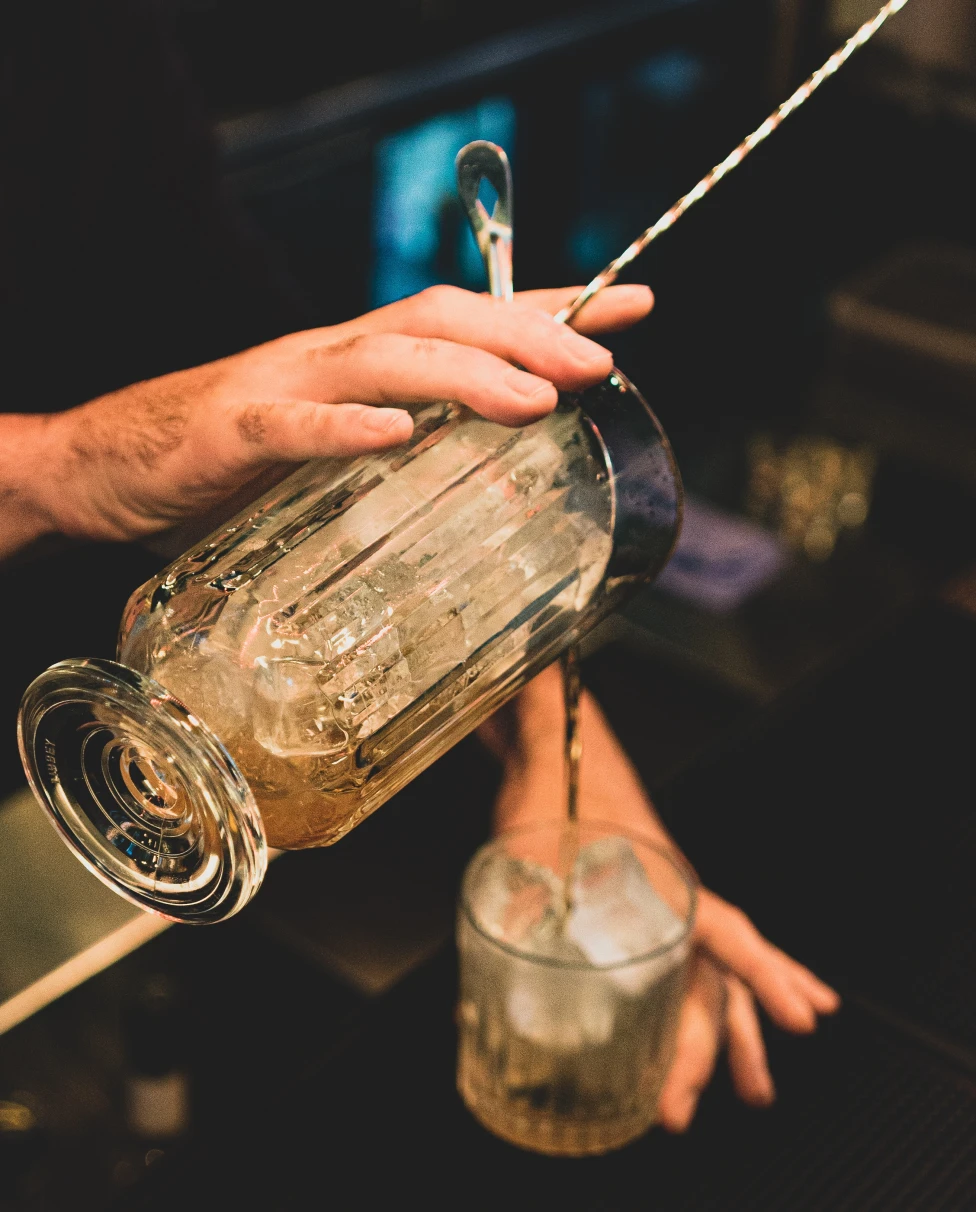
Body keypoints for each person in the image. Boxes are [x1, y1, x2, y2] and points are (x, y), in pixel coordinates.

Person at [0, 0, 837, 1136]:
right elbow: (135, 439)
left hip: (125, 746)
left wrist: (564, 769)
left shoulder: (78, 39)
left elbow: (255, 375)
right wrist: (59, 462)